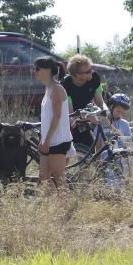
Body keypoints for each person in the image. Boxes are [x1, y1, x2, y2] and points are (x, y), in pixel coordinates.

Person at [34, 57, 71, 190]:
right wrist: (44, 140)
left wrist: (47, 141)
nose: (35, 72)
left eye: (38, 69)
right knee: (44, 177)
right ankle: (54, 207)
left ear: (48, 70)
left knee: (59, 178)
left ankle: (65, 208)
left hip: (57, 141)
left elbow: (57, 117)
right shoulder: (48, 89)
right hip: (49, 140)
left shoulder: (57, 89)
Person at [61, 54, 105, 151]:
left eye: (91, 69)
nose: (91, 72)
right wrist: (87, 118)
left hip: (88, 112)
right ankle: (85, 163)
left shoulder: (95, 78)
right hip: (71, 117)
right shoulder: (66, 84)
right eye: (88, 71)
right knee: (86, 146)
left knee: (103, 139)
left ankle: (100, 162)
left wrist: (102, 115)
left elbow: (100, 103)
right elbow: (70, 114)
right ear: (77, 74)